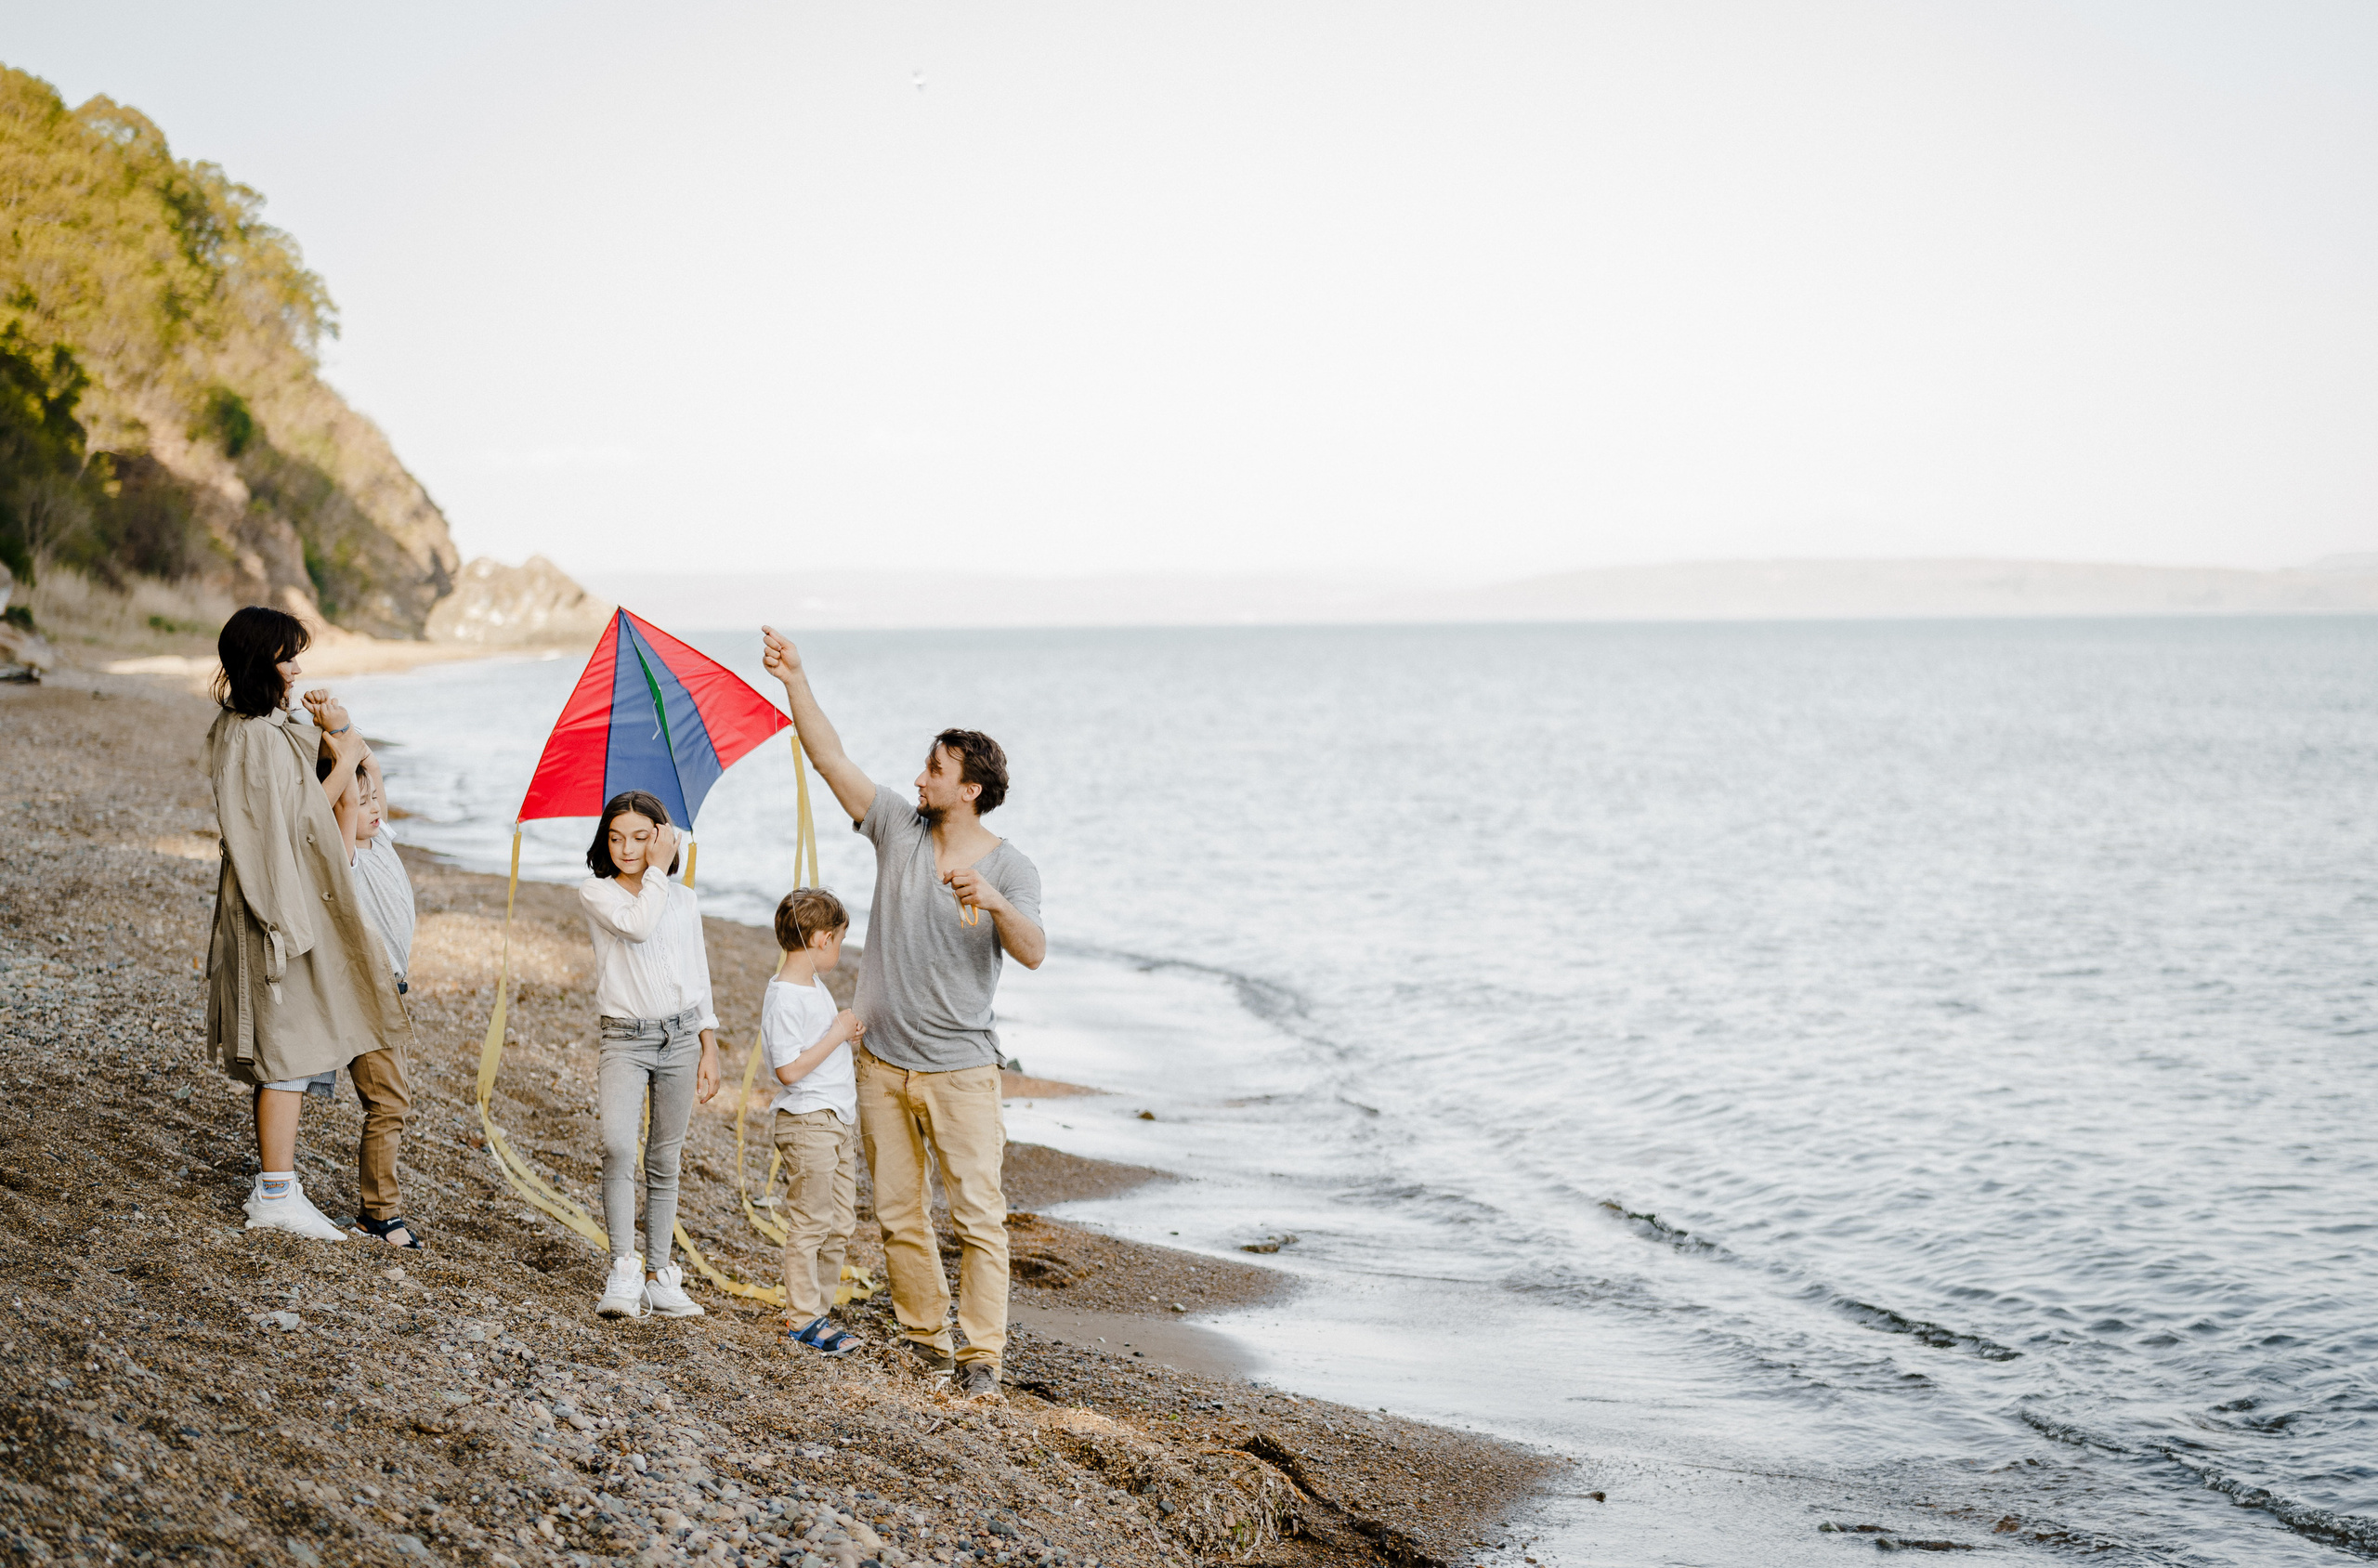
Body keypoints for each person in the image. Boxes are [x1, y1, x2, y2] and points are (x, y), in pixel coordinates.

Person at [761, 623, 1046, 1401]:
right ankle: (925, 1338)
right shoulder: (897, 828)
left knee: (979, 1219)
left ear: (970, 788)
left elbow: (1034, 950)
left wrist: (989, 899)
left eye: (935, 769)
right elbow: (831, 759)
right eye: (925, 766)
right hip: (882, 1065)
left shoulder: (1011, 867)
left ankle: (980, 1354)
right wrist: (795, 679)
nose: (919, 778)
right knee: (897, 1213)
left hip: (962, 1072)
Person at [204, 606, 407, 1242]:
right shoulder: (254, 736)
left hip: (273, 892)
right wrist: (343, 761)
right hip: (275, 900)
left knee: (287, 1044)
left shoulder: (252, 725)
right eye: (288, 656)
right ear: (262, 660)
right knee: (286, 1050)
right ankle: (275, 1192)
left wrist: (333, 730)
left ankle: (278, 1184)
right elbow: (298, 820)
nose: (297, 668)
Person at [580, 790, 722, 1320]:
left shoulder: (683, 900)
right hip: (624, 1040)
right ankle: (623, 1267)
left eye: (641, 837)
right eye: (616, 837)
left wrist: (709, 1045)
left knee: (665, 1158)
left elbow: (698, 975)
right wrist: (659, 869)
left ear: (661, 836)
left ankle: (661, 1275)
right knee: (617, 1146)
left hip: (681, 1038)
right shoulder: (597, 894)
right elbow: (638, 926)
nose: (627, 847)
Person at [302, 698, 421, 1249]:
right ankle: (379, 1215)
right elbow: (349, 791)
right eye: (360, 799)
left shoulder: (383, 841)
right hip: (368, 994)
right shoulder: (346, 854)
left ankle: (379, 1210)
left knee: (392, 1102)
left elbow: (366, 770)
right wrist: (344, 769)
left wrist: (343, 725)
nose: (373, 805)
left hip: (391, 992)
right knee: (389, 1103)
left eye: (377, 796)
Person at [764, 887, 867, 1356]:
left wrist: (843, 1037)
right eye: (839, 941)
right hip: (808, 1122)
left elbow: (819, 1049)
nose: (839, 951)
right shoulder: (786, 996)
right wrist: (838, 1034)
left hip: (836, 1121)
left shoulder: (811, 988)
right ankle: (803, 1317)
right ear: (822, 940)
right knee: (811, 1221)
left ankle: (817, 1312)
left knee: (839, 1221)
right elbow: (788, 1070)